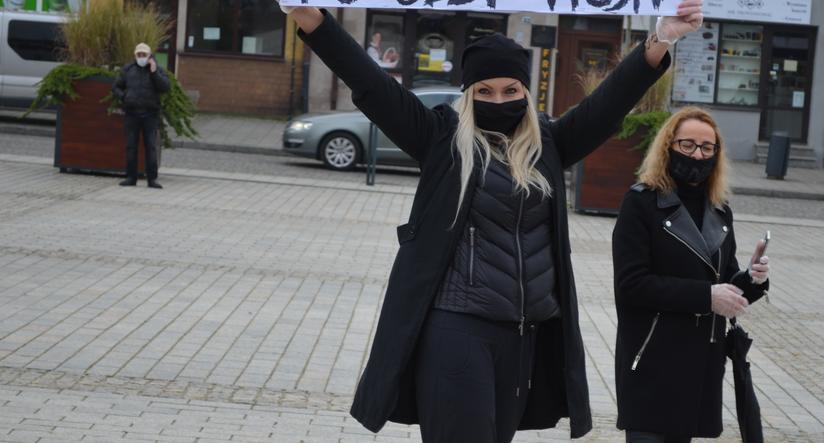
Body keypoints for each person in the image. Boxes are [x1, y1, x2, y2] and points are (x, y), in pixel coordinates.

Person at [279, 1, 704, 441]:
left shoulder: (551, 144)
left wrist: (661, 39)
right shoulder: (441, 140)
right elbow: (367, 80)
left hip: (523, 338)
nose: (498, 100)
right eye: (483, 91)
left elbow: (610, 102)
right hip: (457, 332)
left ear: (525, 91)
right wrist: (309, 16)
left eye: (509, 90)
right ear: (468, 94)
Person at [611, 106, 770, 442]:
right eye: (688, 145)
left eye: (707, 147)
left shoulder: (720, 209)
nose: (698, 154)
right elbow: (631, 285)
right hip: (652, 358)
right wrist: (706, 296)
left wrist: (753, 280)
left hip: (701, 364)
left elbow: (724, 280)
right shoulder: (641, 203)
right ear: (668, 146)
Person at [112, 42, 170, 189]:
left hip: (150, 114)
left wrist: (154, 71)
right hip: (132, 113)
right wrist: (124, 96)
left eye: (144, 54)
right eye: (139, 54)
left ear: (149, 55)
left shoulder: (156, 69)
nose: (141, 57)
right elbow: (116, 86)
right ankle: (131, 178)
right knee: (131, 146)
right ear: (135, 55)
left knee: (150, 147)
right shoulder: (128, 69)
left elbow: (165, 87)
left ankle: (152, 179)